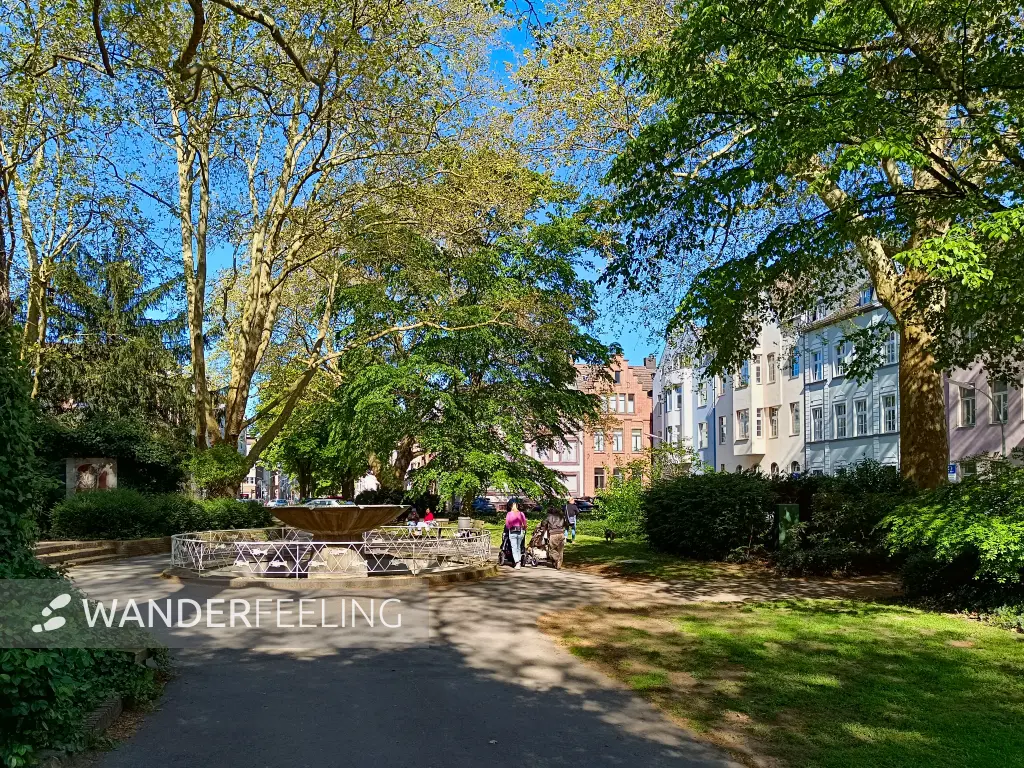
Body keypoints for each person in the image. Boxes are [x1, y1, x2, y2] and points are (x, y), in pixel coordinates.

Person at [544, 501, 568, 569]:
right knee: (560, 550)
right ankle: (559, 564)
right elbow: (566, 524)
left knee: (552, 550)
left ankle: (556, 559)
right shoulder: (562, 517)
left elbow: (543, 523)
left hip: (553, 534)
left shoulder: (549, 517)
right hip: (561, 534)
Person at [505, 501, 528, 570]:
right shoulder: (521, 513)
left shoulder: (509, 514)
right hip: (520, 531)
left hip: (512, 532)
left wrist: (510, 527)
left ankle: (517, 562)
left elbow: (507, 524)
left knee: (514, 548)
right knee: (518, 547)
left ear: (511, 507)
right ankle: (519, 561)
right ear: (517, 506)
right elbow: (525, 523)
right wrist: (523, 529)